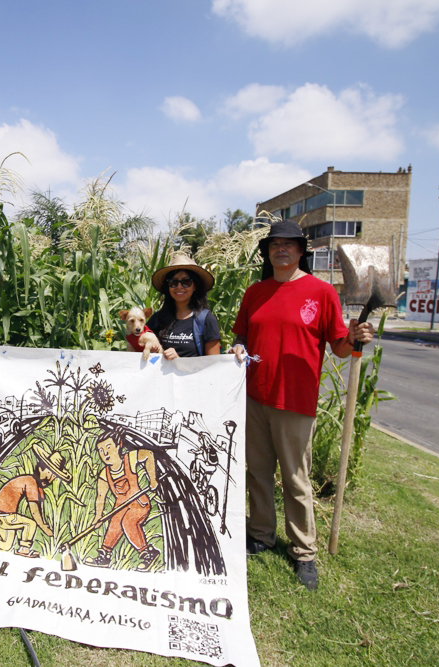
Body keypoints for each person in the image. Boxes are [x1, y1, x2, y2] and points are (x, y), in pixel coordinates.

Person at [230, 220, 373, 591]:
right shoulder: (255, 293)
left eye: (289, 245)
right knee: (258, 472)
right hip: (254, 396)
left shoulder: (321, 292)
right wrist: (239, 348)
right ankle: (261, 534)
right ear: (268, 252)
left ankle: (304, 551)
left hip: (295, 401)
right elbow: (242, 335)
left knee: (295, 478)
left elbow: (340, 346)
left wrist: (356, 338)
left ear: (300, 252)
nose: (282, 249)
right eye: (275, 244)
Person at [86, 427, 161, 572]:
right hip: (120, 506)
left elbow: (149, 454)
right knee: (114, 524)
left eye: (108, 447)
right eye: (101, 450)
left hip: (138, 503)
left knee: (129, 521)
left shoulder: (129, 459)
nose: (105, 453)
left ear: (118, 445)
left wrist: (153, 479)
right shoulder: (104, 473)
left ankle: (147, 553)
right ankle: (105, 555)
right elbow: (100, 496)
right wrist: (98, 517)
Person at [0, 447, 69, 558]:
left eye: (54, 476)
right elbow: (34, 510)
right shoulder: (31, 482)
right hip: (4, 514)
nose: (51, 479)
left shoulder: (39, 488)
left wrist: (45, 524)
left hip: (2, 515)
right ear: (42, 469)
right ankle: (24, 549)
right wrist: (43, 527)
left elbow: (40, 508)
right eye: (50, 473)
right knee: (30, 523)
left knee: (6, 545)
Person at [145, 254, 223, 359]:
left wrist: (179, 362)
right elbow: (139, 348)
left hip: (193, 375)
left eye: (186, 282)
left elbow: (213, 365)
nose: (179, 287)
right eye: (173, 282)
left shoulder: (206, 320)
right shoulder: (157, 319)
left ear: (195, 286)